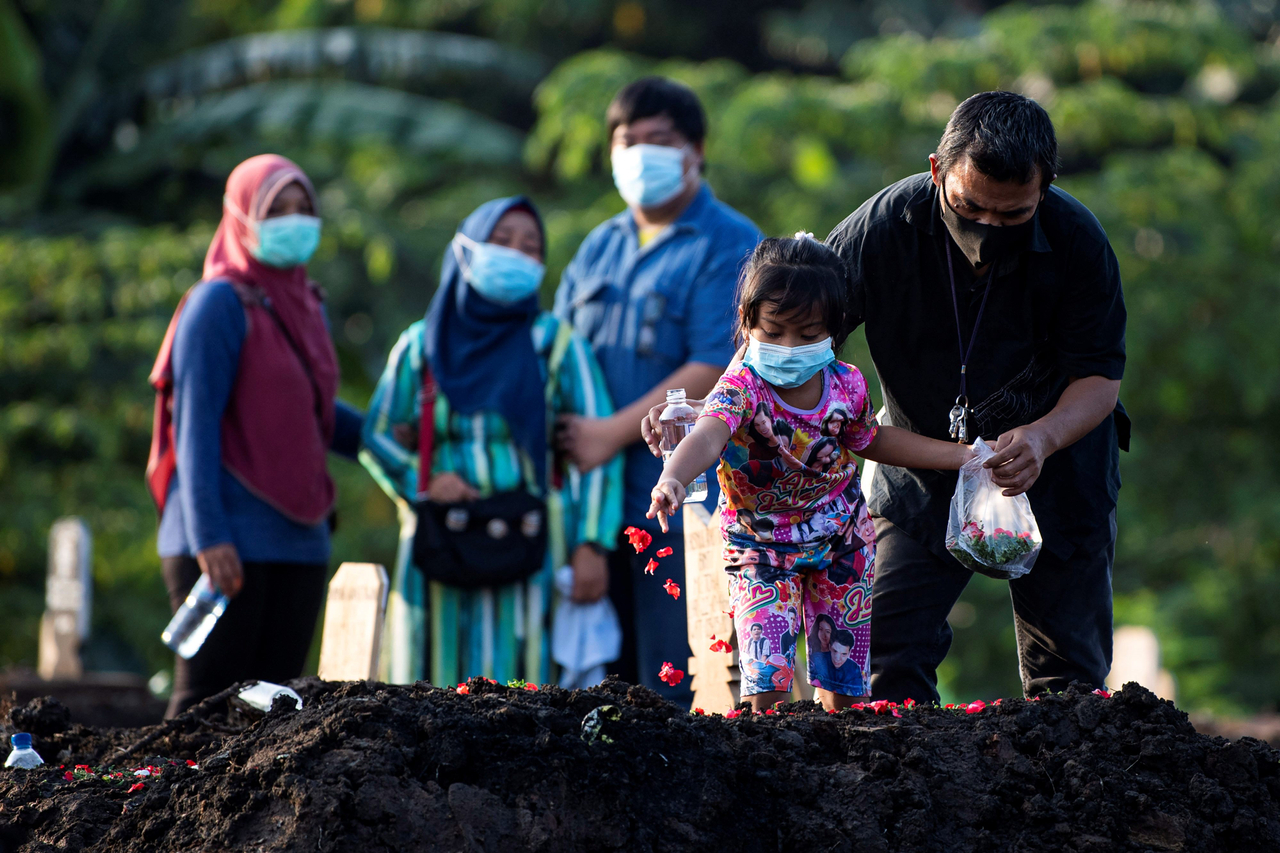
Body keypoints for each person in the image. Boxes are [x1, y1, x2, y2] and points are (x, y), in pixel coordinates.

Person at [824, 91, 1128, 703]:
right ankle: (900, 793)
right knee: (882, 653)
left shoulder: (1078, 242)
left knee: (1068, 685)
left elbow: (1099, 377)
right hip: (920, 472)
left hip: (1056, 468)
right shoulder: (880, 229)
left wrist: (1041, 437)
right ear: (936, 169)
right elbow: (792, 336)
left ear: (1046, 188)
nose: (986, 229)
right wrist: (729, 410)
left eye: (1012, 216)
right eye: (967, 206)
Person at [647, 236, 972, 712]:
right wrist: (672, 478)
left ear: (833, 332)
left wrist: (959, 456)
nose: (789, 347)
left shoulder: (847, 383)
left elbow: (873, 439)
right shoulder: (741, 386)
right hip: (760, 547)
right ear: (748, 322)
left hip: (842, 540)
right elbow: (708, 436)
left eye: (806, 334)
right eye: (774, 332)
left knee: (846, 681)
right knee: (768, 679)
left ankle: (842, 772)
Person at [553, 76, 763, 704]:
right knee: (594, 692)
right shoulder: (600, 244)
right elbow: (558, 353)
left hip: (687, 500)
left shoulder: (730, 240)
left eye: (660, 140)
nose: (643, 153)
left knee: (682, 682)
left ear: (695, 149)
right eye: (629, 140)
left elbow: (717, 364)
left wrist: (605, 435)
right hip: (592, 510)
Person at [360, 196, 623, 688]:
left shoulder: (555, 344)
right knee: (429, 692)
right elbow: (376, 433)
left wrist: (592, 544)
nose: (516, 255)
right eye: (501, 242)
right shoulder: (421, 345)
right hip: (440, 544)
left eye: (530, 248)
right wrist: (424, 482)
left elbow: (596, 452)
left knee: (525, 700)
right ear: (465, 249)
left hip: (532, 546)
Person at [146, 154, 363, 718]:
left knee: (273, 714)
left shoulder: (304, 301)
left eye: (303, 208)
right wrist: (209, 536)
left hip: (299, 540)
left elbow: (312, 412)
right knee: (205, 710)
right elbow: (192, 424)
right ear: (241, 218)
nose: (294, 221)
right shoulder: (217, 303)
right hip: (225, 544)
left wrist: (399, 436)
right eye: (276, 210)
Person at [810, 629, 860, 696]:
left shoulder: (854, 669)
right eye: (835, 651)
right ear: (830, 647)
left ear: (849, 653)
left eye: (844, 654)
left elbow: (857, 692)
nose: (837, 658)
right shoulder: (817, 660)